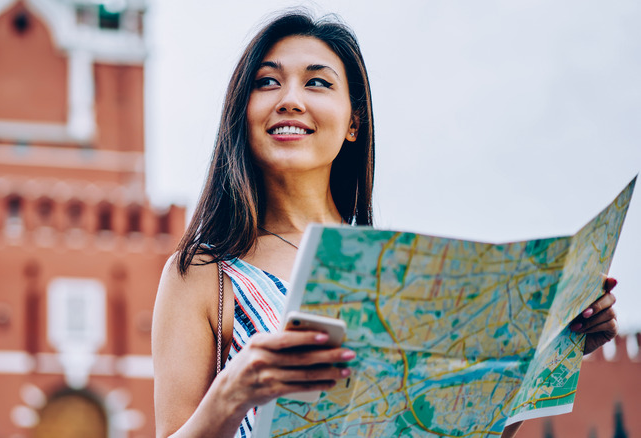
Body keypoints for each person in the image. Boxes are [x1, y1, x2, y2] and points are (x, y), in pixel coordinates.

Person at [151, 11, 619, 438]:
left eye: (317, 83)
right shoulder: (201, 275)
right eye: (267, 82)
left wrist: (550, 352)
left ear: (354, 122)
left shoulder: (401, 271)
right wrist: (231, 394)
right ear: (242, 112)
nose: (290, 99)